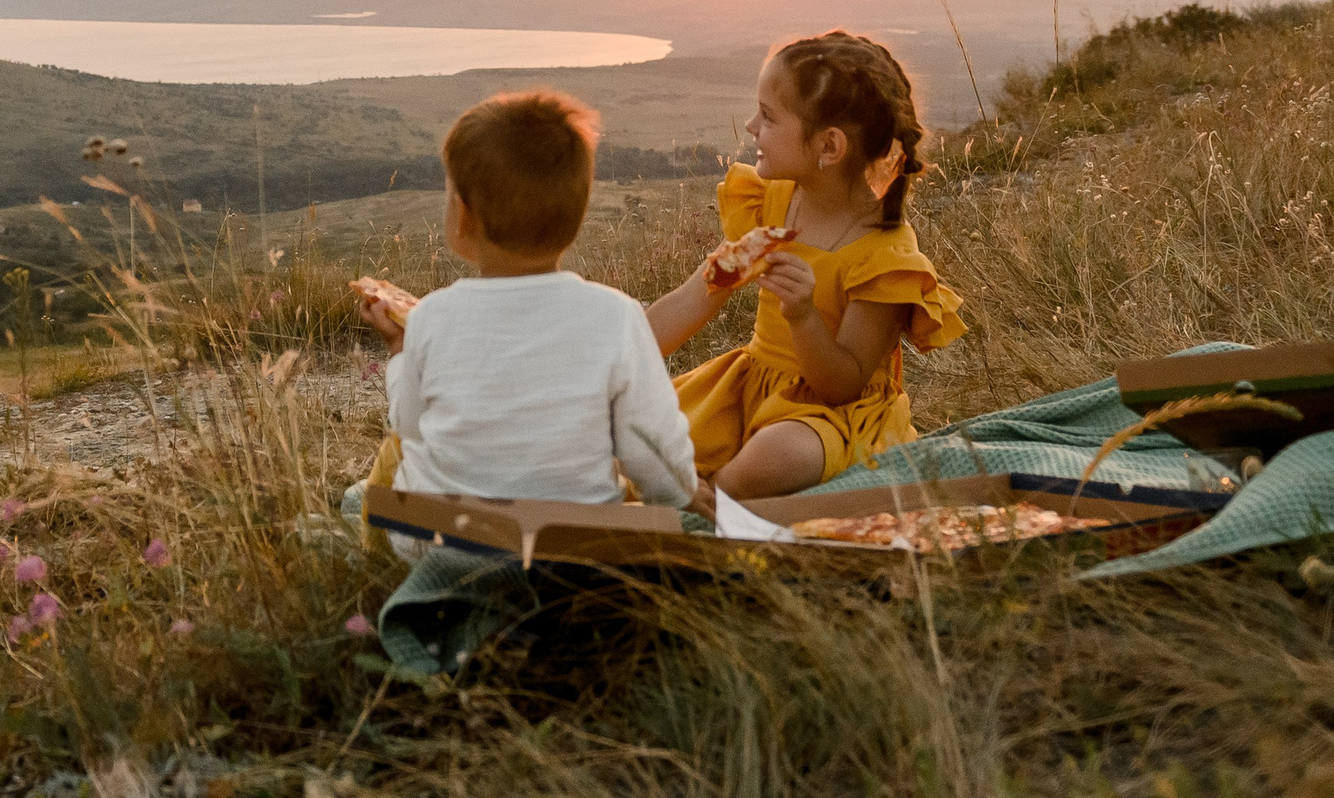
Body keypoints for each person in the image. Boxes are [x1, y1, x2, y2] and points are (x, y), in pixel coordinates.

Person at [647, 31, 967, 499]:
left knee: (779, 455)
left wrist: (803, 316)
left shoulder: (884, 257)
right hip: (748, 385)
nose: (751, 125)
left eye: (769, 117)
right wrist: (621, 358)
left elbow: (844, 385)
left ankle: (713, 499)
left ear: (829, 147)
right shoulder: (770, 203)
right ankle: (697, 490)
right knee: (638, 429)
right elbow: (699, 295)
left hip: (827, 416)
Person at [355, 91, 701, 515]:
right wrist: (676, 506)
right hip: (574, 544)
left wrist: (399, 353)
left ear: (464, 214)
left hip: (451, 542)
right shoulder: (617, 316)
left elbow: (409, 427)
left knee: (364, 499)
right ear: (576, 214)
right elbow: (656, 456)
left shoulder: (431, 317)